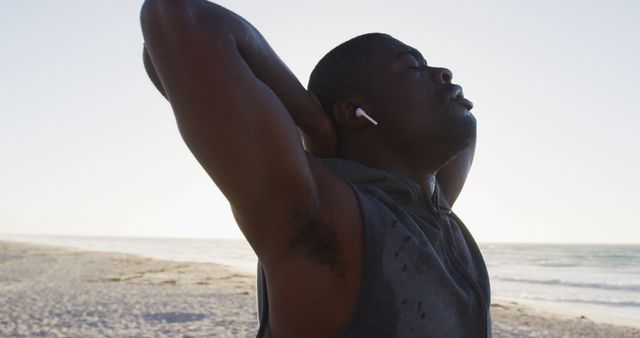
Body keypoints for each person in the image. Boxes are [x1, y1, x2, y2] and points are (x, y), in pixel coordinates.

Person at [140, 0, 491, 337]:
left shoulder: (432, 205)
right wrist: (313, 125)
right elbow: (177, 18)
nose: (443, 73)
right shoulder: (325, 214)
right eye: (412, 67)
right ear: (354, 111)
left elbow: (466, 126)